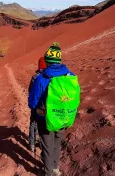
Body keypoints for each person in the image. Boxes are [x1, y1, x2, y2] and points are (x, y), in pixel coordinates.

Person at [29, 42, 79, 176]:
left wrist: (35, 112)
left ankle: (48, 172)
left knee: (47, 146)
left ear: (47, 61)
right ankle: (55, 168)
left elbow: (33, 102)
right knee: (57, 143)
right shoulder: (70, 75)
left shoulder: (41, 78)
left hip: (45, 119)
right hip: (64, 116)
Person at [27, 57, 47, 152]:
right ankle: (43, 145)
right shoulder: (49, 77)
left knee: (33, 123)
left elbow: (30, 90)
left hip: (35, 104)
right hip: (45, 106)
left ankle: (32, 144)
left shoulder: (35, 77)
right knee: (44, 124)